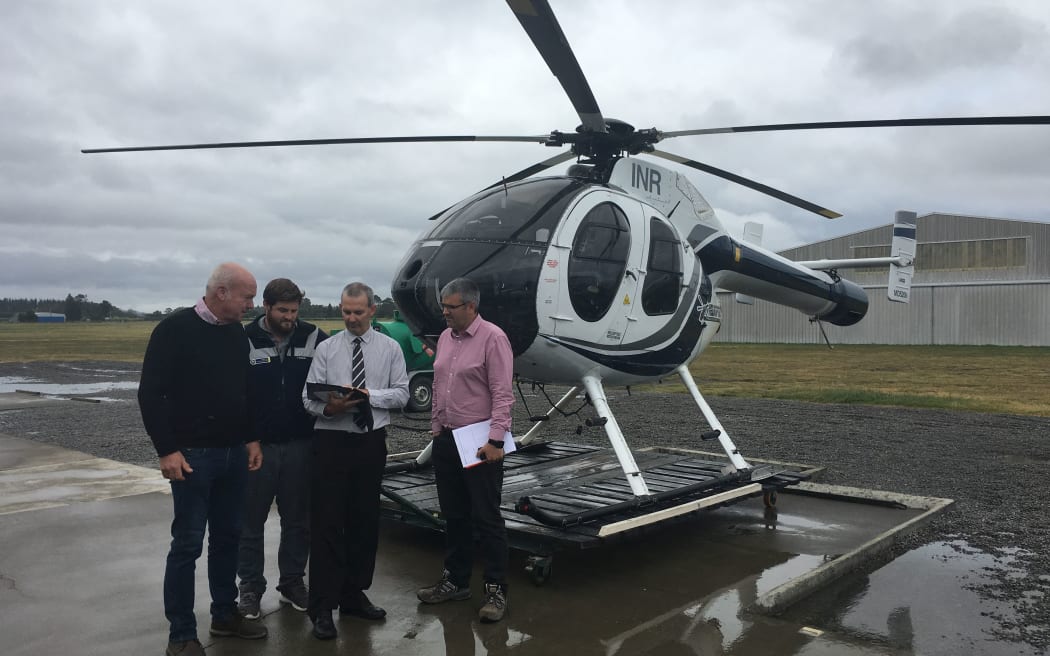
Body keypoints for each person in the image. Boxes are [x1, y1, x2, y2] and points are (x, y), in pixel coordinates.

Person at [138, 262, 268, 656]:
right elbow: (151, 394)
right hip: (192, 457)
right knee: (187, 545)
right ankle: (181, 635)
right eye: (247, 297)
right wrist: (166, 449)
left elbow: (244, 390)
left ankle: (224, 614)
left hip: (233, 454)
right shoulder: (174, 330)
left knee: (228, 538)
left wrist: (251, 438)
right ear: (222, 292)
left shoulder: (235, 333)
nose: (252, 305)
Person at [301, 282, 409, 640]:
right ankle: (322, 606)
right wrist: (329, 408)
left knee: (363, 521)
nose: (351, 318)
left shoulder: (390, 348)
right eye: (346, 311)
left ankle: (353, 595)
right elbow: (308, 398)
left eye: (358, 312)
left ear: (372, 311)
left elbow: (402, 394)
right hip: (331, 441)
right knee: (327, 524)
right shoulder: (327, 349)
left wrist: (368, 395)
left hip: (369, 442)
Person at [416, 277, 515, 623]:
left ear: (471, 306)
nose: (444, 312)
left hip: (479, 443)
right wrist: (436, 428)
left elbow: (502, 394)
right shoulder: (446, 338)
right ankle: (456, 581)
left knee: (486, 517)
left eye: (451, 306)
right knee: (454, 515)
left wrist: (496, 440)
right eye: (443, 306)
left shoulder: (494, 338)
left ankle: (496, 589)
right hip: (447, 439)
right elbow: (440, 384)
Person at [236, 278, 328, 620]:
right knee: (250, 522)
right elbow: (236, 394)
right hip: (257, 448)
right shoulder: (243, 339)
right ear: (266, 307)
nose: (290, 317)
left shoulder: (315, 337)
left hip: (301, 445)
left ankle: (292, 582)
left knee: (298, 520)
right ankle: (250, 588)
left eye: (294, 311)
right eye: (283, 311)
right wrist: (248, 438)